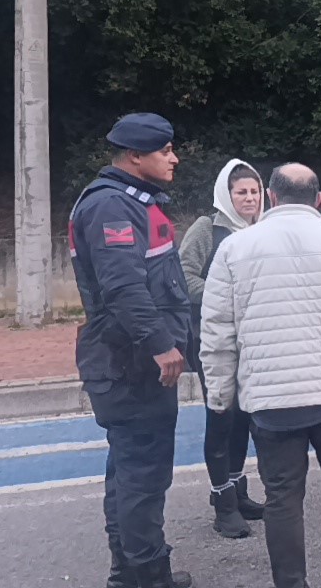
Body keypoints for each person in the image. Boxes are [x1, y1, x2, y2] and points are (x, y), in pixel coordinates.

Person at [199, 163, 321, 588]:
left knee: (283, 497)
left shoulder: (234, 250)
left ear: (270, 197)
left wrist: (220, 393)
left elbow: (217, 331)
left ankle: (291, 582)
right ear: (318, 200)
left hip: (271, 400)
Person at [68, 113, 194, 588]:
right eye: (165, 151)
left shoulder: (131, 201)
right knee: (142, 476)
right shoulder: (113, 208)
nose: (174, 158)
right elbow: (123, 287)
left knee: (128, 471)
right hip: (131, 363)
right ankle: (147, 576)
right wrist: (162, 344)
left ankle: (130, 572)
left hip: (127, 360)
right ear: (135, 157)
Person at [178, 158, 267, 538]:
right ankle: (222, 503)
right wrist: (226, 298)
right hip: (213, 339)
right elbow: (182, 276)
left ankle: (239, 490)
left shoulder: (266, 229)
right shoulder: (206, 229)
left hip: (254, 339)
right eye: (241, 192)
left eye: (254, 192)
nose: (249, 198)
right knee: (221, 415)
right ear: (225, 195)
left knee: (245, 417)